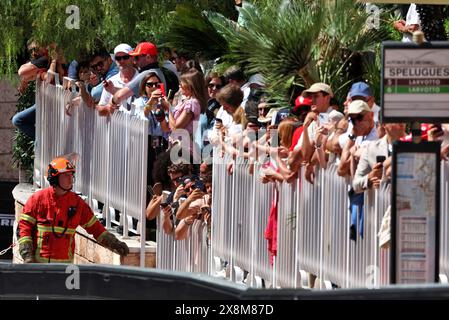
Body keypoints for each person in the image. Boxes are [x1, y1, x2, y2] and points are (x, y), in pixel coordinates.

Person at [18, 157, 129, 263]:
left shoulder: (77, 204)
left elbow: (97, 229)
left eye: (71, 175)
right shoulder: (38, 199)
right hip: (39, 269)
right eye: (66, 175)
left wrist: (115, 243)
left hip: (65, 272)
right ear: (55, 178)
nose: (71, 179)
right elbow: (24, 228)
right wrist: (27, 255)